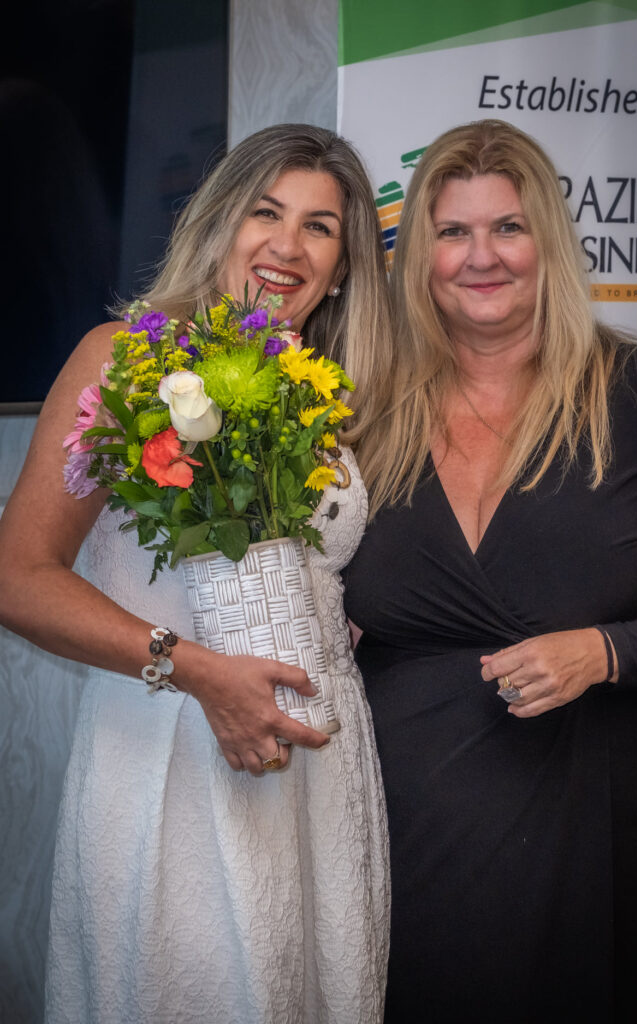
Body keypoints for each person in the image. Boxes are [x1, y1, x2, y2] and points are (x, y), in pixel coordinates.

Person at [0, 124, 391, 1024]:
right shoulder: (126, 359)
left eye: (321, 227)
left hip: (322, 773)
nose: (288, 246)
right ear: (220, 223)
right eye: (266, 213)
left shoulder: (332, 391)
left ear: (343, 266)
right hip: (174, 757)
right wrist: (197, 670)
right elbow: (18, 575)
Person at [342, 119, 637, 1023]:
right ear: (418, 253)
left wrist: (606, 652)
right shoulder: (361, 408)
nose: (482, 257)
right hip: (399, 831)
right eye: (453, 231)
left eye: (507, 227)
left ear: (546, 240)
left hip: (596, 830)